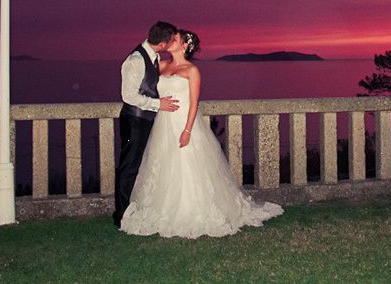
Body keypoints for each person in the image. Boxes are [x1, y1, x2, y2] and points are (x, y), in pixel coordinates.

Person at [120, 29, 283, 238]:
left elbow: (194, 104)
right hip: (163, 123)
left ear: (184, 46)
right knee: (163, 165)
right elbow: (141, 81)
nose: (170, 40)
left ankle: (192, 209)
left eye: (175, 39)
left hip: (184, 123)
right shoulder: (161, 66)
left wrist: (187, 130)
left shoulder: (192, 70)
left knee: (188, 166)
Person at [112, 21, 179, 227]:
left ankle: (136, 207)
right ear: (162, 43)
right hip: (134, 121)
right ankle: (121, 215)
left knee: (142, 165)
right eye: (171, 41)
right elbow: (128, 95)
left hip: (146, 120)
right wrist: (159, 104)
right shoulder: (135, 60)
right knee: (129, 166)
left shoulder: (154, 57)